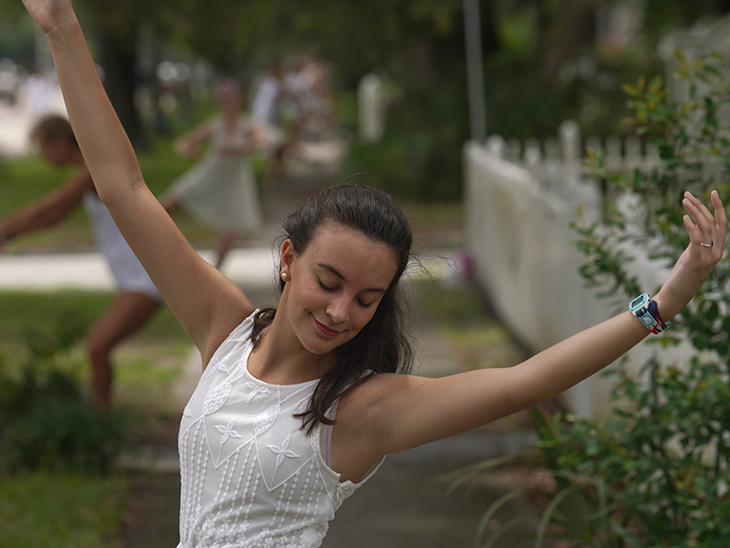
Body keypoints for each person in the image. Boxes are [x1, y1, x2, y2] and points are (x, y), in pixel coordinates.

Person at [21, 1, 727, 547]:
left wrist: (662, 302)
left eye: (367, 298)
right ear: (290, 260)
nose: (341, 311)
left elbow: (523, 382)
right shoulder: (226, 331)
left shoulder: (361, 409)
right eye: (329, 282)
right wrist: (61, 28)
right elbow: (125, 189)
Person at [0, 114, 162, 408]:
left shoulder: (93, 170)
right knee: (98, 348)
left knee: (97, 347)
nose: (43, 156)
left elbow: (51, 209)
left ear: (61, 142)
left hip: (148, 277)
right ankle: (99, 419)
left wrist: (5, 231)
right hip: (141, 276)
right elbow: (52, 213)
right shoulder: (93, 169)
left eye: (44, 147)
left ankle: (98, 424)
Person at [161, 78, 269, 269]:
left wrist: (241, 147)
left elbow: (261, 139)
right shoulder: (215, 125)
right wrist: (188, 150)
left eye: (231, 98)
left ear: (239, 100)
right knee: (169, 202)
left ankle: (215, 272)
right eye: (223, 99)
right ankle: (166, 247)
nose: (227, 103)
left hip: (234, 180)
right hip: (210, 173)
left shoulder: (247, 125)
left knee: (230, 226)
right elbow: (184, 142)